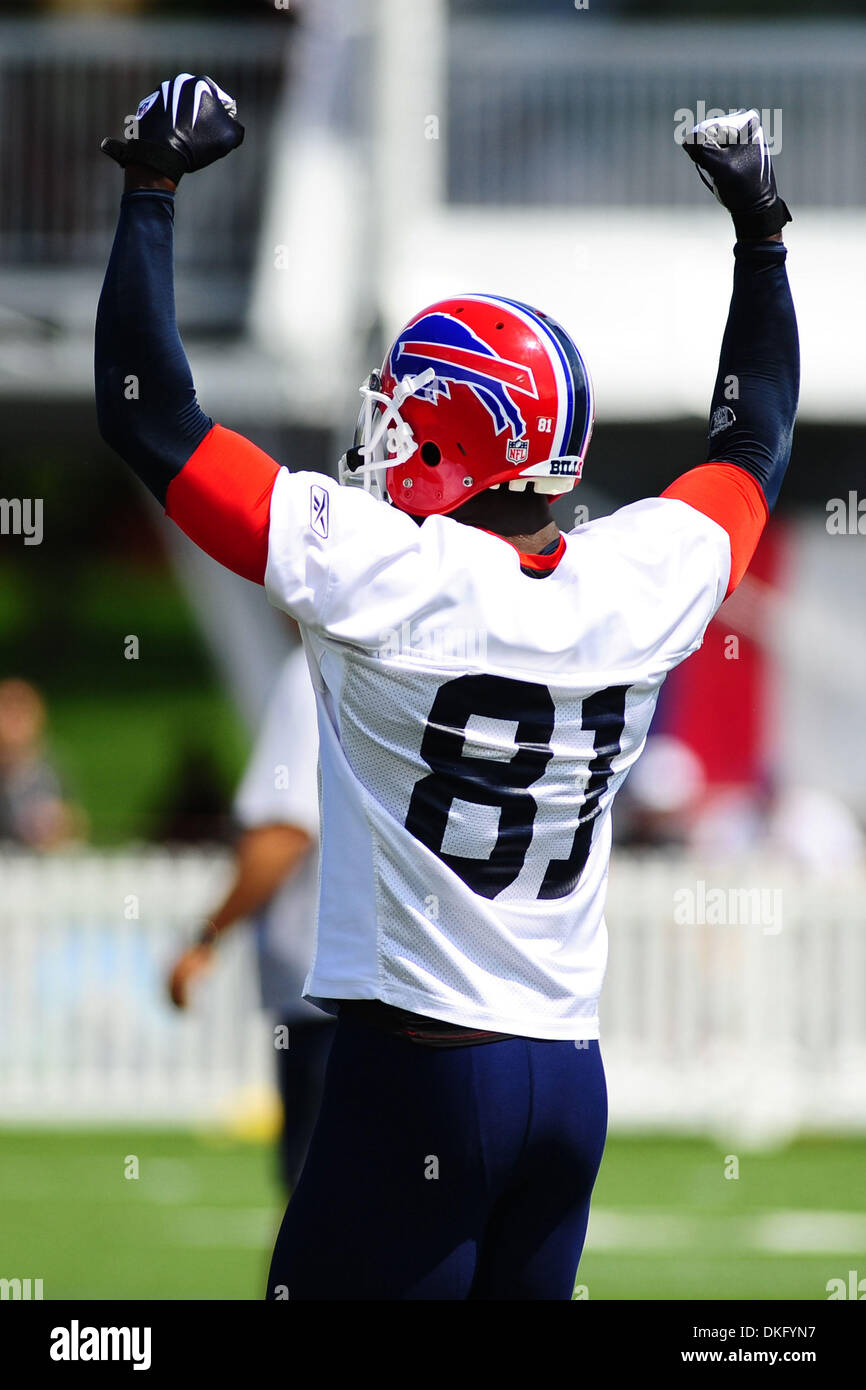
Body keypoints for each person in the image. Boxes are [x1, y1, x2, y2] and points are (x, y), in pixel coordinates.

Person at [94, 82, 798, 1300]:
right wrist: (761, 233)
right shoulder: (635, 579)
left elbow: (149, 415)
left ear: (455, 437)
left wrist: (150, 187)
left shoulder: (384, 574)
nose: (381, 441)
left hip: (415, 1068)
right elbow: (753, 440)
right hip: (566, 1078)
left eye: (404, 416)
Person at [167, 643, 334, 1191]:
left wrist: (205, 937)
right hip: (435, 980)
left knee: (316, 1203)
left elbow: (285, 830)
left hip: (330, 980)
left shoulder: (319, 657)